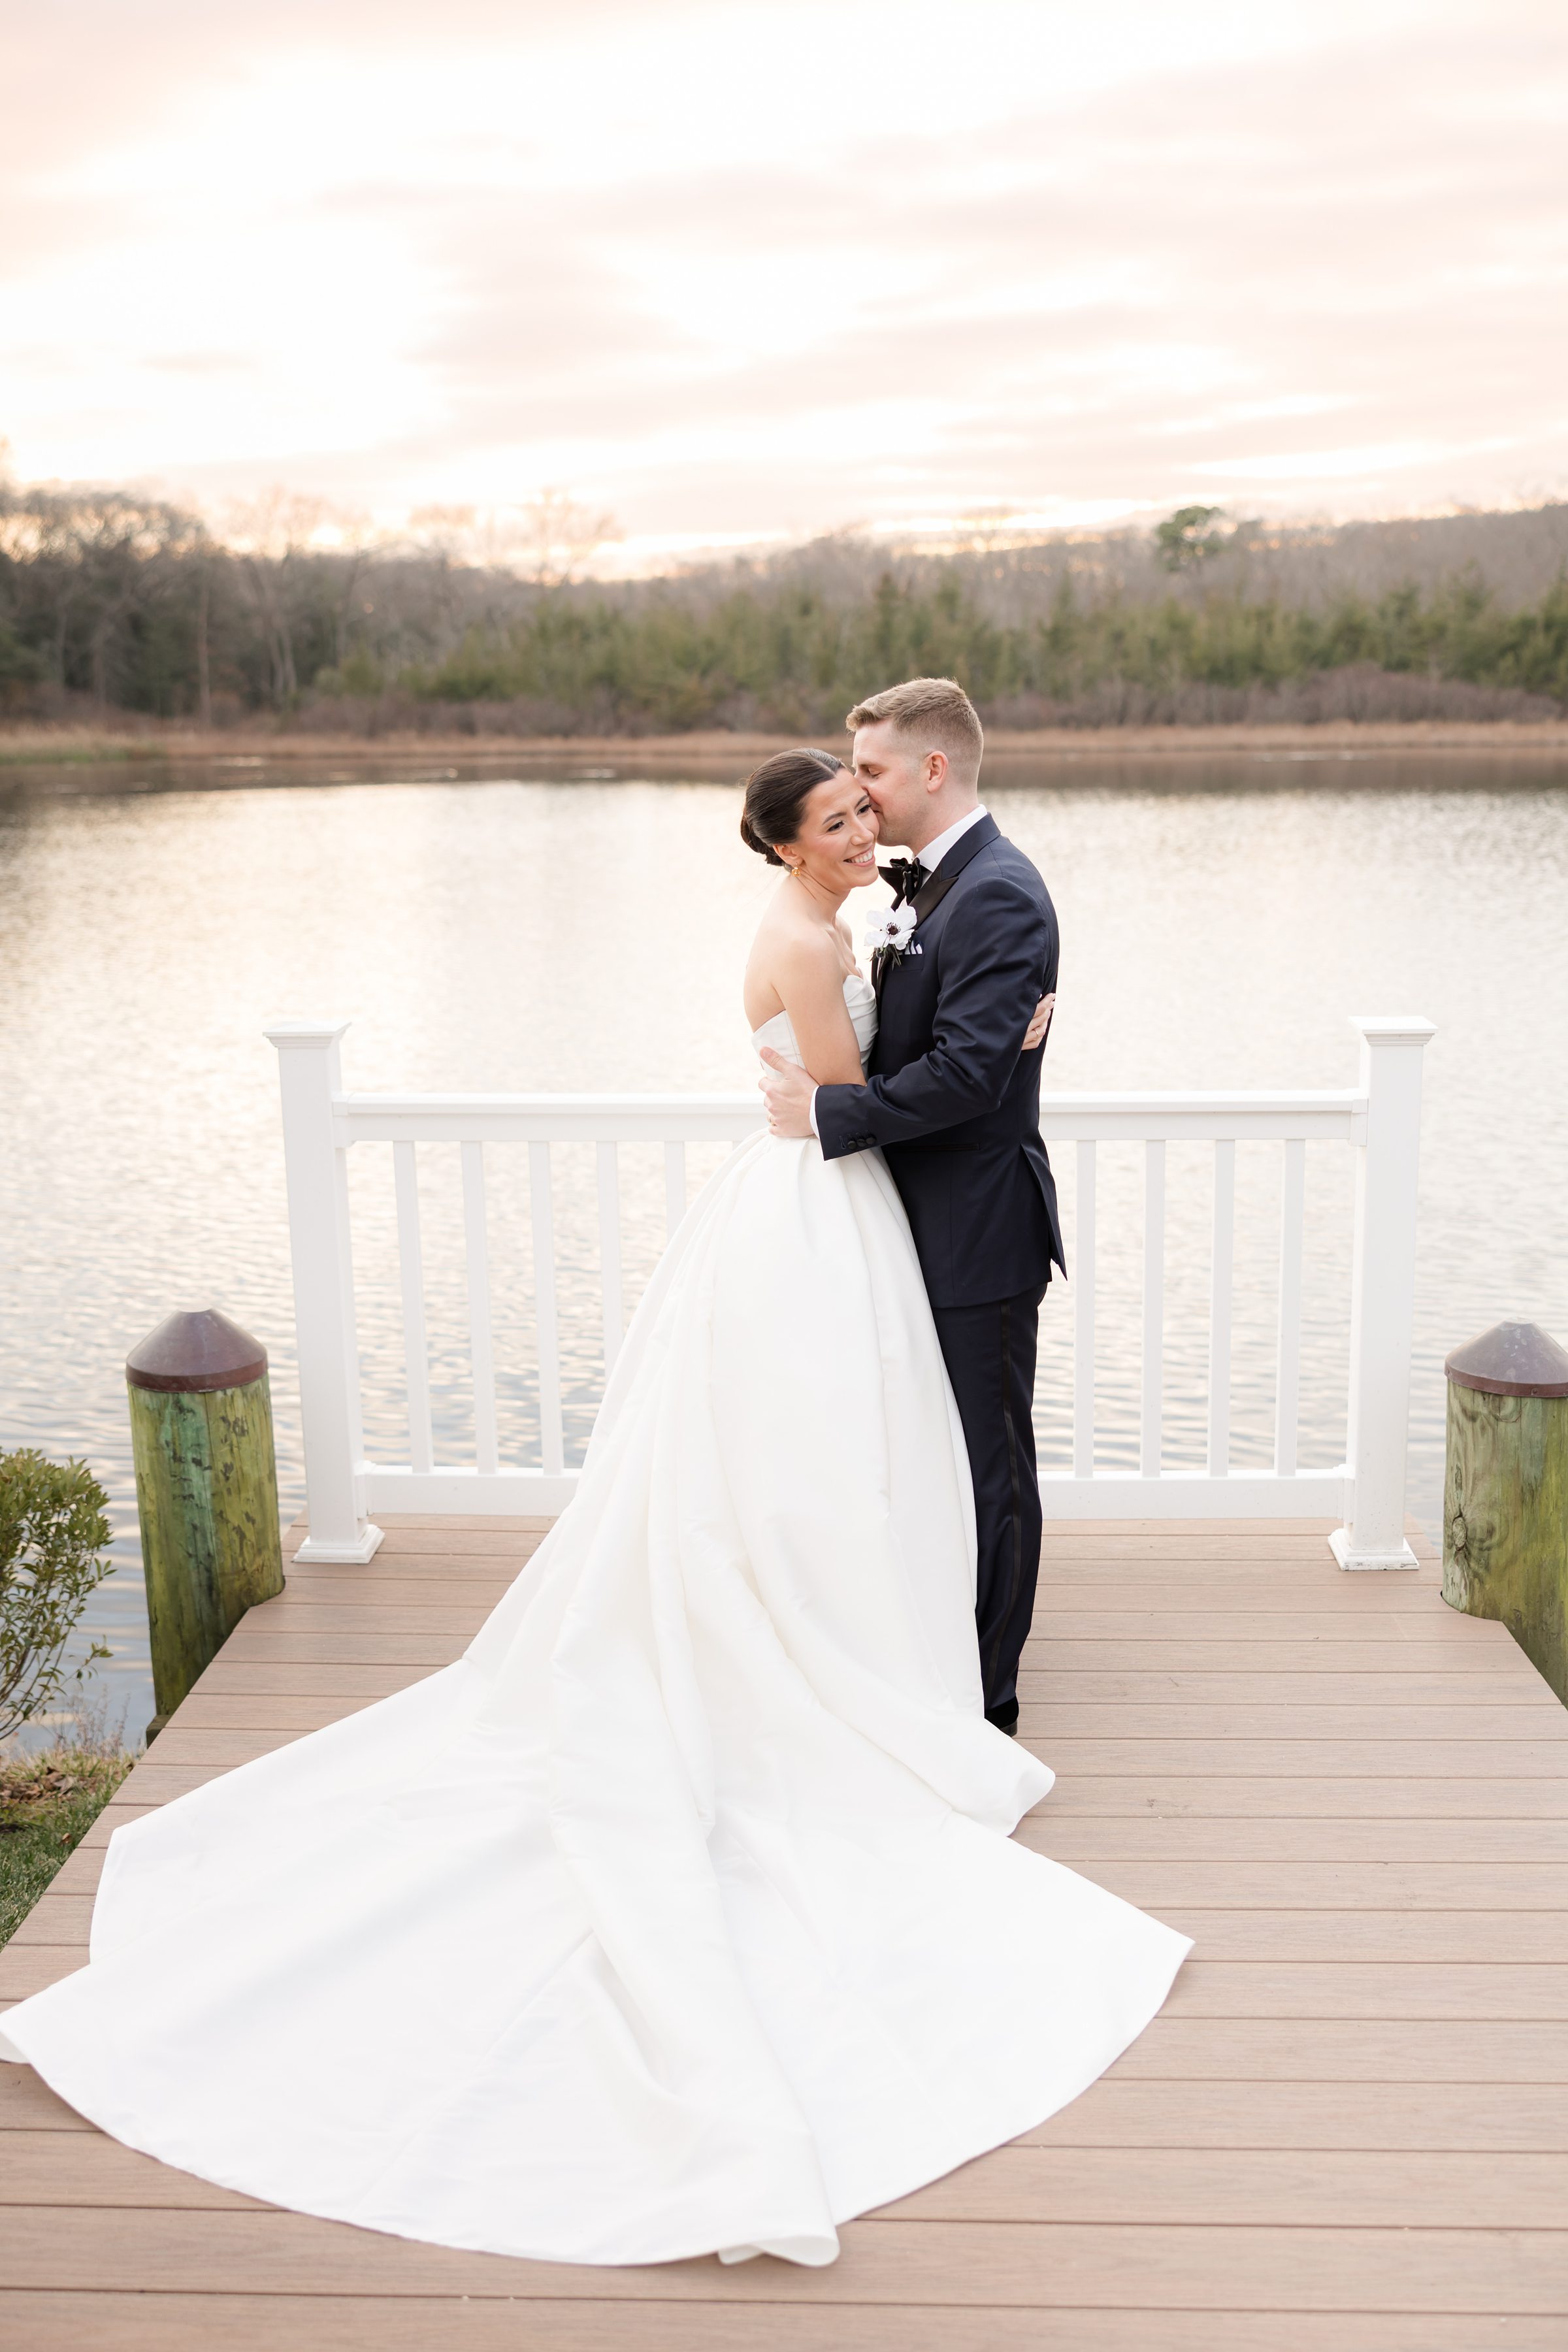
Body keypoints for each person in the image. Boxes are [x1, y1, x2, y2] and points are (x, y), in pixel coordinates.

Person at [0, 745, 1188, 2272]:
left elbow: (881, 1064)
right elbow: (845, 1093)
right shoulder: (810, 936)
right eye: (834, 815)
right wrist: (983, 1051)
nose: (860, 825)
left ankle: (851, 1640)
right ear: (783, 841)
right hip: (818, 1203)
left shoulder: (863, 912)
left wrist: (999, 1037)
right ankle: (834, 1658)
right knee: (831, 1451)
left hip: (829, 1206)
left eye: (863, 802)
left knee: (840, 1453)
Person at [761, 678, 1060, 1735]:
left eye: (875, 776)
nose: (866, 800)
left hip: (976, 1227)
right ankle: (923, 1651)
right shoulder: (926, 884)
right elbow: (938, 1039)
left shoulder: (1000, 891)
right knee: (916, 1451)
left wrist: (831, 1112)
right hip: (899, 1221)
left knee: (987, 1465)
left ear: (934, 769)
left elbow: (971, 1076)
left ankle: (987, 1703)